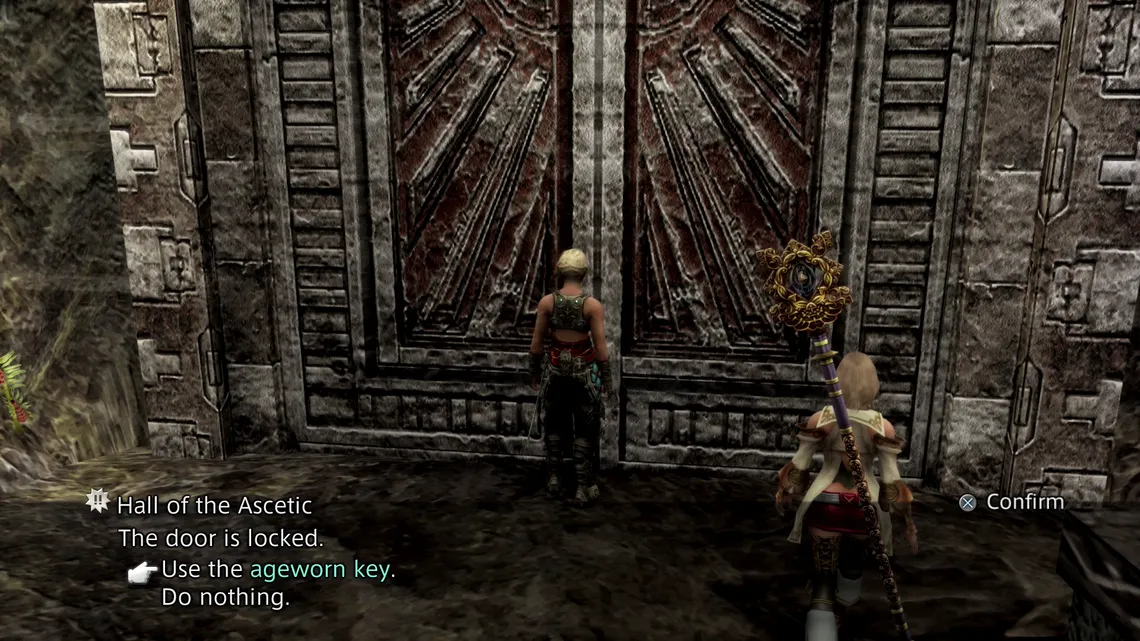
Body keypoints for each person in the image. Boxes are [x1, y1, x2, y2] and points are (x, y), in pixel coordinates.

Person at [775, 352, 918, 641]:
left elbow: (799, 467)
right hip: (866, 507)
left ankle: (826, 621)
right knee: (852, 567)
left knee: (823, 581)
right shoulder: (882, 426)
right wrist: (906, 521)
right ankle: (841, 607)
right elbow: (891, 484)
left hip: (826, 504)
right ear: (872, 384)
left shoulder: (822, 419)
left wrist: (786, 492)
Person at [528, 249, 613, 505]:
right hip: (584, 375)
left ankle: (554, 478)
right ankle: (582, 486)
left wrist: (534, 372)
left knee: (554, 423)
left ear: (560, 272)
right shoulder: (592, 306)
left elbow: (536, 345)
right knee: (585, 427)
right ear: (584, 273)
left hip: (555, 373)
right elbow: (601, 349)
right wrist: (606, 379)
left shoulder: (547, 303)